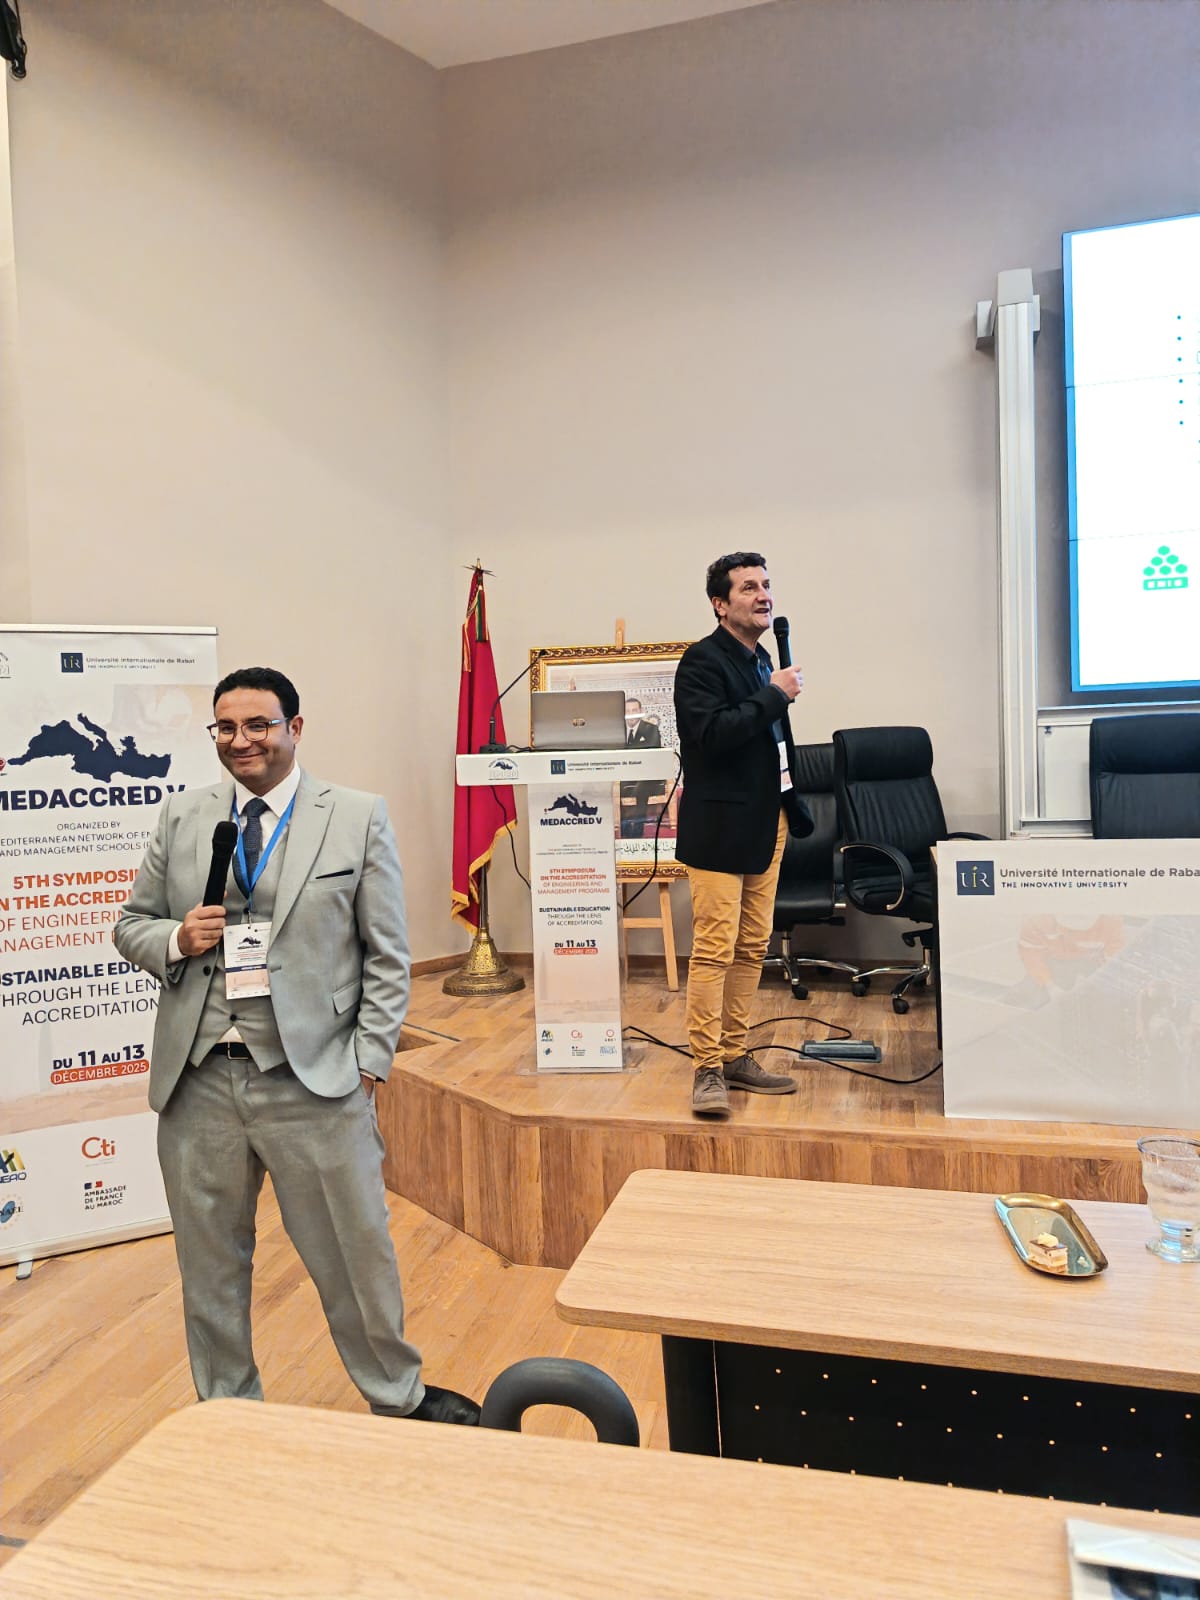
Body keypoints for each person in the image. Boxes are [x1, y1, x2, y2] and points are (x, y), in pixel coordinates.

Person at [113, 667, 478, 1424]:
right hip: (199, 1081)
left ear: (295, 728)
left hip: (314, 1078)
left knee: (354, 1253)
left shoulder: (356, 816)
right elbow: (132, 925)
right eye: (226, 727)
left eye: (259, 724)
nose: (241, 740)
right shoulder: (183, 817)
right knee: (209, 1263)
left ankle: (397, 1393)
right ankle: (228, 1409)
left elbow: (388, 956)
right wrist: (177, 937)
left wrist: (368, 1064)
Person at [674, 555, 813, 1117]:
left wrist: (791, 801)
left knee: (753, 946)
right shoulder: (701, 662)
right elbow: (712, 735)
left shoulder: (763, 663)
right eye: (749, 587)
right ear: (720, 603)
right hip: (717, 828)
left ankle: (735, 1054)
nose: (763, 596)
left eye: (767, 585)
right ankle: (707, 1067)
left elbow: (772, 745)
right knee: (715, 948)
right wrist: (774, 695)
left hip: (766, 820)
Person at [620, 696, 663, 838]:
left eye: (634, 710)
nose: (631, 714)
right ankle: (624, 827)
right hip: (625, 774)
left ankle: (638, 828)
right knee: (613, 785)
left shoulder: (651, 729)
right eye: (628, 711)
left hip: (648, 774)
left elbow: (653, 753)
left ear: (641, 711)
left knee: (641, 785)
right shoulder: (618, 730)